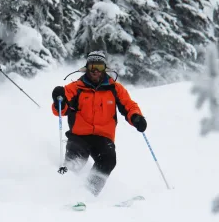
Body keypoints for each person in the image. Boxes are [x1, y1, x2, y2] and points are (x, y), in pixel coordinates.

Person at [51, 50, 147, 196]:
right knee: (73, 163)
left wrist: (136, 117)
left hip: (103, 137)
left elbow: (129, 105)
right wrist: (60, 99)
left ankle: (88, 192)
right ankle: (59, 192)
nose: (95, 70)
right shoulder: (76, 88)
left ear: (105, 68)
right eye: (92, 66)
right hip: (79, 136)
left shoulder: (115, 89)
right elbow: (60, 110)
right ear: (86, 67)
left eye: (99, 67)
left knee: (108, 160)